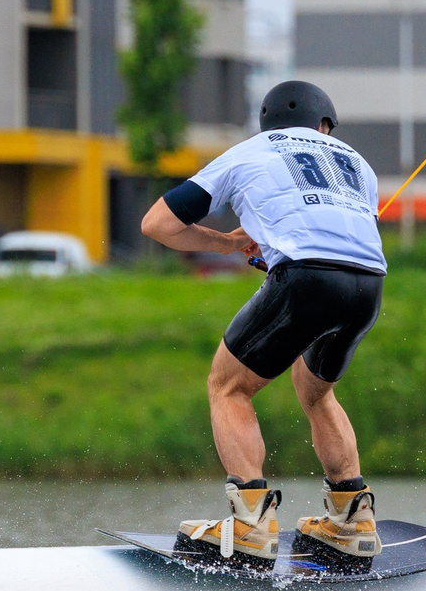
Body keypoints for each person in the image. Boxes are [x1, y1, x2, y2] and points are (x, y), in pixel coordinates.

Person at [139, 80, 385, 563]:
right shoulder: (358, 163)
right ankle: (352, 520)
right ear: (324, 125)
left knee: (229, 387)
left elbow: (158, 225)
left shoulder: (248, 152)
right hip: (369, 286)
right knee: (316, 390)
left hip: (307, 279)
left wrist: (227, 244)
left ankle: (250, 526)